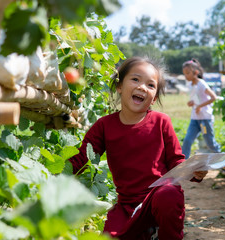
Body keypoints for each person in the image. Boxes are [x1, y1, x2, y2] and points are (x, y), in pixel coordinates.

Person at [69, 56, 208, 239]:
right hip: (127, 205)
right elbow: (81, 159)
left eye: (151, 85)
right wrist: (51, 174)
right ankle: (147, 231)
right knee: (111, 236)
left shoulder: (161, 122)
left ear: (154, 98)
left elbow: (176, 161)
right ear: (119, 86)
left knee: (169, 195)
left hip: (159, 194)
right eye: (135, 79)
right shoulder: (104, 126)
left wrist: (193, 171)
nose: (142, 87)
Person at [181, 58, 221, 159]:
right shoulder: (190, 85)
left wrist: (199, 106)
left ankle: (223, 163)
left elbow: (213, 97)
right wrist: (192, 103)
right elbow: (197, 99)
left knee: (210, 143)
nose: (186, 76)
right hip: (194, 119)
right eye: (184, 73)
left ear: (196, 72)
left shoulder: (202, 84)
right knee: (187, 140)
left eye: (188, 73)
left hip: (205, 119)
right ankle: (181, 164)